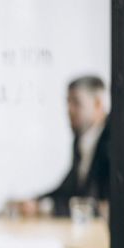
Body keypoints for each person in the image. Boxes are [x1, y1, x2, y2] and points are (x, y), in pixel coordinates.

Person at [18, 75, 110, 217]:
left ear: (98, 104)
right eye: (68, 102)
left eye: (77, 103)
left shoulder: (115, 141)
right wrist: (36, 202)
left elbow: (99, 205)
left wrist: (45, 208)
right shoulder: (81, 141)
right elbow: (69, 189)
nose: (69, 110)